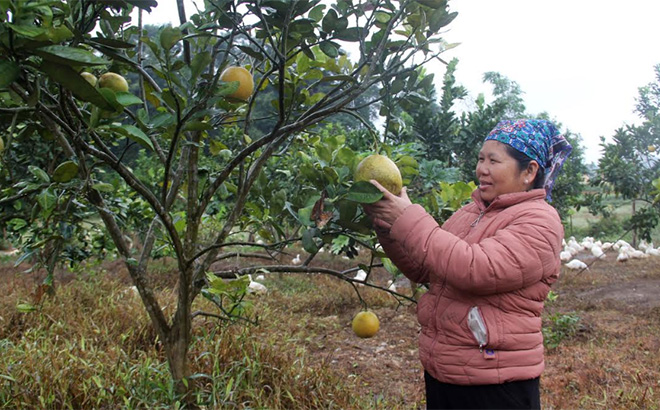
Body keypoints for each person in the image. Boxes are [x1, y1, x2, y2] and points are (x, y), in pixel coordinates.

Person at [364, 119, 572, 410]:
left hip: (496, 383)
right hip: (446, 372)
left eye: (493, 160)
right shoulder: (470, 212)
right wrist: (388, 225)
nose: (481, 169)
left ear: (529, 171)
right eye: (480, 159)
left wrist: (409, 217)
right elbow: (424, 268)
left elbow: (476, 270)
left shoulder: (540, 220)